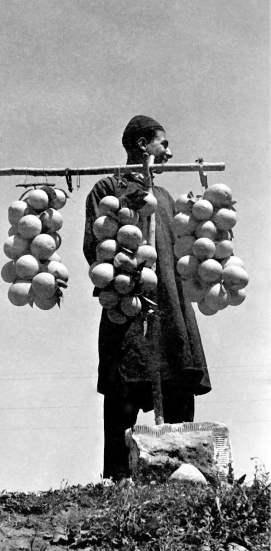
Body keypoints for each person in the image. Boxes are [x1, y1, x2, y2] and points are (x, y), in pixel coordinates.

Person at [83, 115, 211, 481]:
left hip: (170, 307)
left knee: (177, 382)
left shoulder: (167, 198)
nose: (169, 153)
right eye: (163, 144)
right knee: (124, 385)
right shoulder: (107, 189)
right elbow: (98, 248)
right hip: (129, 301)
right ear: (142, 146)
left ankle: (182, 472)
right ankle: (119, 477)